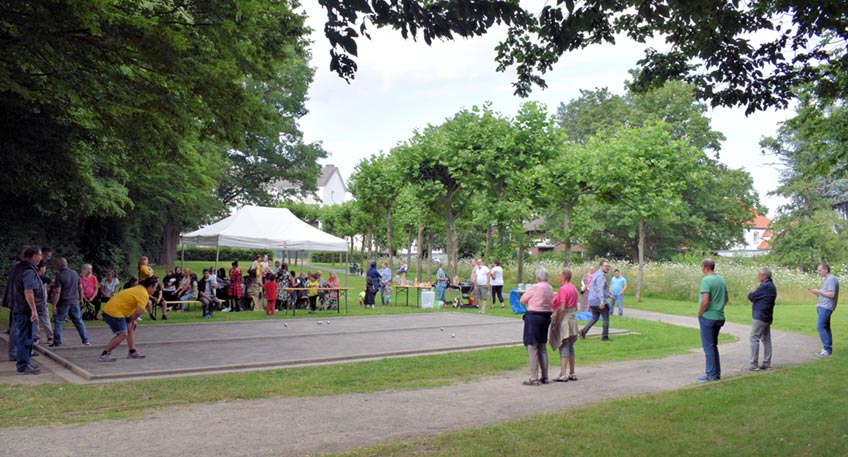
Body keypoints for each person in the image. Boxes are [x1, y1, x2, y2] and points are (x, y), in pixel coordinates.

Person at [99, 276, 159, 362]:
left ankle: (132, 352)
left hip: (116, 310)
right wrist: (132, 320)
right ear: (150, 287)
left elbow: (132, 305)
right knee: (122, 334)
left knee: (130, 328)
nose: (155, 290)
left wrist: (131, 321)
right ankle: (105, 353)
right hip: (113, 312)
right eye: (155, 287)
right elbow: (138, 312)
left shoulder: (139, 288)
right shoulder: (144, 294)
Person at [10, 247, 43, 374]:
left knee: (25, 336)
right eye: (39, 255)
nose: (41, 258)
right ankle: (23, 365)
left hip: (18, 306)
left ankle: (26, 362)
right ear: (34, 256)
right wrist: (34, 311)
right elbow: (28, 291)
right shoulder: (29, 271)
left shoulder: (19, 267)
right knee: (25, 337)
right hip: (24, 309)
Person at [519, 266, 554, 385]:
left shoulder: (535, 287)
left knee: (532, 346)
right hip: (546, 317)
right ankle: (545, 376)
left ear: (537, 277)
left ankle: (534, 377)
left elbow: (523, 299)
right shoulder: (550, 288)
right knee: (542, 346)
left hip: (534, 316)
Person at [697, 258, 728, 382]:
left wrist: (700, 313)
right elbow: (726, 298)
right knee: (714, 345)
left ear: (705, 267)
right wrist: (719, 306)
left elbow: (705, 300)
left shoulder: (706, 280)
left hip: (708, 316)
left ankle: (710, 374)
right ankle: (716, 373)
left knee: (708, 346)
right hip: (719, 316)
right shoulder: (721, 279)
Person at [50, 258, 90, 347]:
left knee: (59, 320)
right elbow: (80, 287)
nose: (55, 267)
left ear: (59, 265)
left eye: (56, 265)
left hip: (64, 301)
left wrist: (54, 304)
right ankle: (85, 340)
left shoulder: (59, 275)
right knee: (78, 321)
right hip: (74, 300)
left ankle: (57, 341)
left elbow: (57, 291)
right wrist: (81, 298)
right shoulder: (75, 273)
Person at [550, 268, 579, 382]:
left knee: (564, 345)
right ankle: (572, 372)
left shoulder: (563, 289)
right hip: (573, 318)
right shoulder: (573, 288)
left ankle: (563, 373)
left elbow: (562, 307)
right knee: (570, 345)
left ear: (564, 277)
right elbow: (575, 306)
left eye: (559, 275)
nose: (558, 277)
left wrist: (557, 322)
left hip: (565, 319)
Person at [747, 266, 777, 371]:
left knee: (754, 338)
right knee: (766, 339)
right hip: (767, 316)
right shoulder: (771, 286)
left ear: (764, 276)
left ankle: (753, 364)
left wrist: (751, 296)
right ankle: (766, 362)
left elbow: (751, 296)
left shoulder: (765, 287)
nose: (757, 276)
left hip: (760, 316)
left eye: (759, 274)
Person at [810, 262, 839, 357]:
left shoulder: (831, 279)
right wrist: (817, 293)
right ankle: (827, 349)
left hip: (826, 307)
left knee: (820, 326)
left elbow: (831, 294)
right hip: (823, 306)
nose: (819, 272)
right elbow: (826, 293)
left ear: (826, 270)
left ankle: (826, 349)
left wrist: (818, 291)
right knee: (825, 327)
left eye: (820, 270)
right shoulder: (828, 279)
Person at [580, 260, 611, 341]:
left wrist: (609, 295)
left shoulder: (595, 274)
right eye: (606, 266)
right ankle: (605, 337)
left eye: (608, 266)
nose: (608, 268)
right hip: (598, 300)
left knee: (595, 317)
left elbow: (599, 288)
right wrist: (602, 301)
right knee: (605, 318)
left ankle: (583, 331)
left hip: (592, 300)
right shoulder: (600, 276)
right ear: (601, 266)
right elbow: (600, 289)